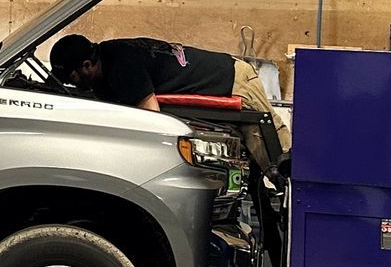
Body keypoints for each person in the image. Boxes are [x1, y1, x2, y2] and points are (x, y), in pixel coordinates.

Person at [50, 32, 289, 169]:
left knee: (273, 156)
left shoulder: (122, 65)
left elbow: (151, 118)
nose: (72, 85)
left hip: (234, 80)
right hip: (225, 75)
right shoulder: (105, 66)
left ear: (87, 65)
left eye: (71, 78)